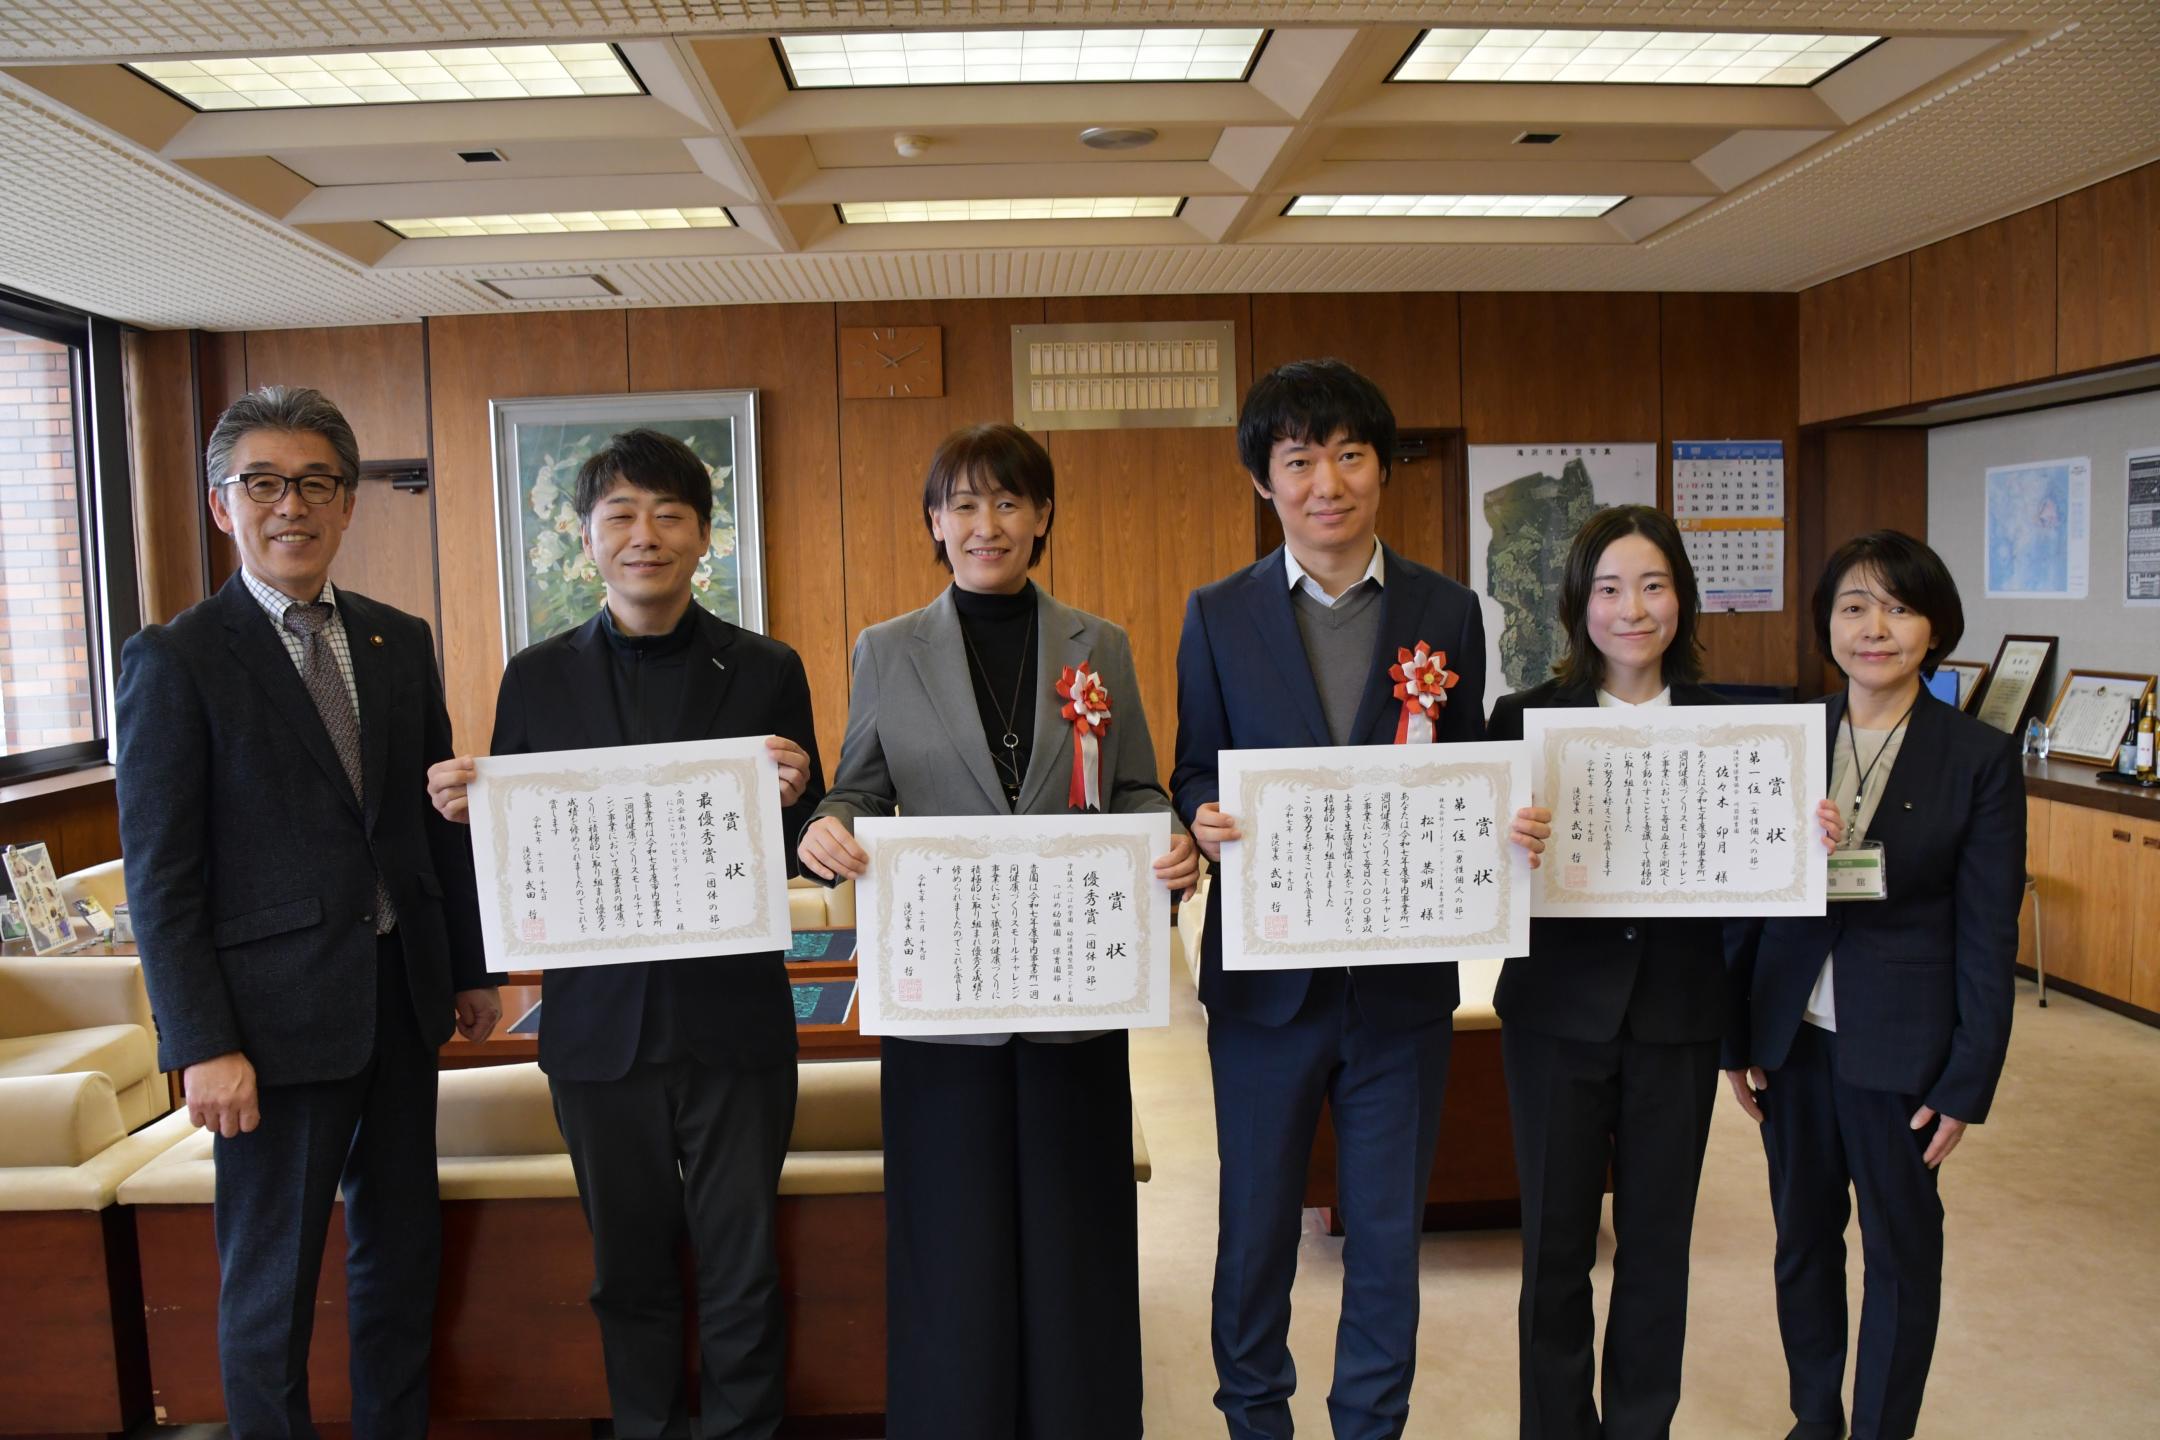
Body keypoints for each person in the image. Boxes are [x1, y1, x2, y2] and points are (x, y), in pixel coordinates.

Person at [797, 421, 1198, 1440]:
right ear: (936, 522)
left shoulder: (1100, 643)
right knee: (953, 1244)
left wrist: (1168, 839)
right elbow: (855, 786)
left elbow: (1139, 786)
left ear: (1043, 516)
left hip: (1073, 993)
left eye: (1009, 502)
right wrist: (829, 826)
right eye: (965, 503)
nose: (988, 523)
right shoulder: (887, 649)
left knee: (1076, 1237)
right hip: (946, 1004)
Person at [115, 385, 499, 1439]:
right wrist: (202, 1044)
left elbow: (431, 822)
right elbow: (162, 877)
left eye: (318, 483)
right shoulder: (177, 658)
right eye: (265, 484)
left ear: (348, 502)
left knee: (400, 1260)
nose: (293, 505)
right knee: (272, 1283)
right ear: (221, 505)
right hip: (268, 1031)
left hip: (401, 1003)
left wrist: (469, 968)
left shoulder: (396, 639)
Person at [427, 429, 823, 1440]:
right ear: (586, 538)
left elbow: (797, 848)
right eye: (621, 515)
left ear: (705, 536)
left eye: (670, 515)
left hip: (733, 1024)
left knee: (742, 1267)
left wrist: (798, 798)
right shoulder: (536, 677)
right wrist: (468, 811)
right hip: (598, 1032)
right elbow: (519, 849)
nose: (646, 535)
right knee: (628, 1268)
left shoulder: (767, 668)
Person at [1173, 357, 1484, 1440]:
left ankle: (1371, 1425)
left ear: (1382, 468)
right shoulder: (1218, 614)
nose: (1327, 483)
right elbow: (1195, 765)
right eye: (1300, 460)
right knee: (1256, 1226)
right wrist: (1203, 812)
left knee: (1387, 1234)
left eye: (1350, 455)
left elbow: (1468, 770)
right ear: (1265, 480)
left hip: (1401, 989)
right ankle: (1254, 1418)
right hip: (1267, 986)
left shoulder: (1447, 609)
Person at [1492, 505, 1841, 1440]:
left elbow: (1767, 878)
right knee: (1554, 1250)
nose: (1632, 609)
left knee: (1657, 1250)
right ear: (1580, 603)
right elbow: (1481, 875)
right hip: (1554, 1017)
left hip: (1680, 1016)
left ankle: (1642, 1427)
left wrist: (1807, 837)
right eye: (1610, 589)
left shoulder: (1739, 729)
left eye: (1653, 586)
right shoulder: (1523, 718)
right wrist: (1501, 840)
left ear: (1681, 599)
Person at [1725, 530, 2023, 1440]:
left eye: (1898, 608)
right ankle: (1813, 1422)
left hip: (1903, 1050)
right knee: (1803, 1245)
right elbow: (1740, 900)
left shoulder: (1977, 756)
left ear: (1935, 628)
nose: (1875, 629)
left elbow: (1988, 931)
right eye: (1854, 607)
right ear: (1827, 624)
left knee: (1901, 1253)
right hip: (1792, 1039)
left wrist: (1967, 1079)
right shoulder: (1786, 738)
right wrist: (1735, 1037)